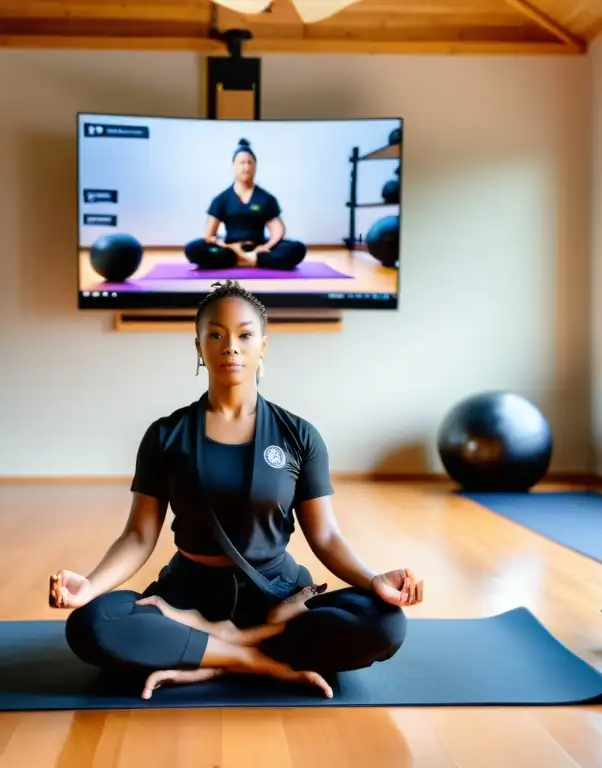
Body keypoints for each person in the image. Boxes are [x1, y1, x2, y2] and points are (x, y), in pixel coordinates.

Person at [49, 280, 422, 700]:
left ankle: (213, 648)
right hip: (186, 600)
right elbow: (138, 537)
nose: (231, 347)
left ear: (264, 346)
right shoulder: (164, 435)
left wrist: (375, 580)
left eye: (245, 335)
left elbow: (327, 536)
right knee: (90, 624)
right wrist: (90, 586)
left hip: (278, 599)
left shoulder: (299, 435)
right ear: (198, 346)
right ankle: (253, 658)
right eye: (216, 335)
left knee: (385, 623)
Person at [183, 139, 308, 271]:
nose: (246, 167)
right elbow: (209, 235)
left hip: (259, 248)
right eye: (242, 163)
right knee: (192, 249)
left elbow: (278, 231)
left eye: (250, 163)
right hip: (230, 249)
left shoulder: (266, 198)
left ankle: (250, 259)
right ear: (233, 166)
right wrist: (230, 247)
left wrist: (266, 247)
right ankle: (243, 259)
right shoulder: (222, 199)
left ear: (255, 166)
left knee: (296, 248)